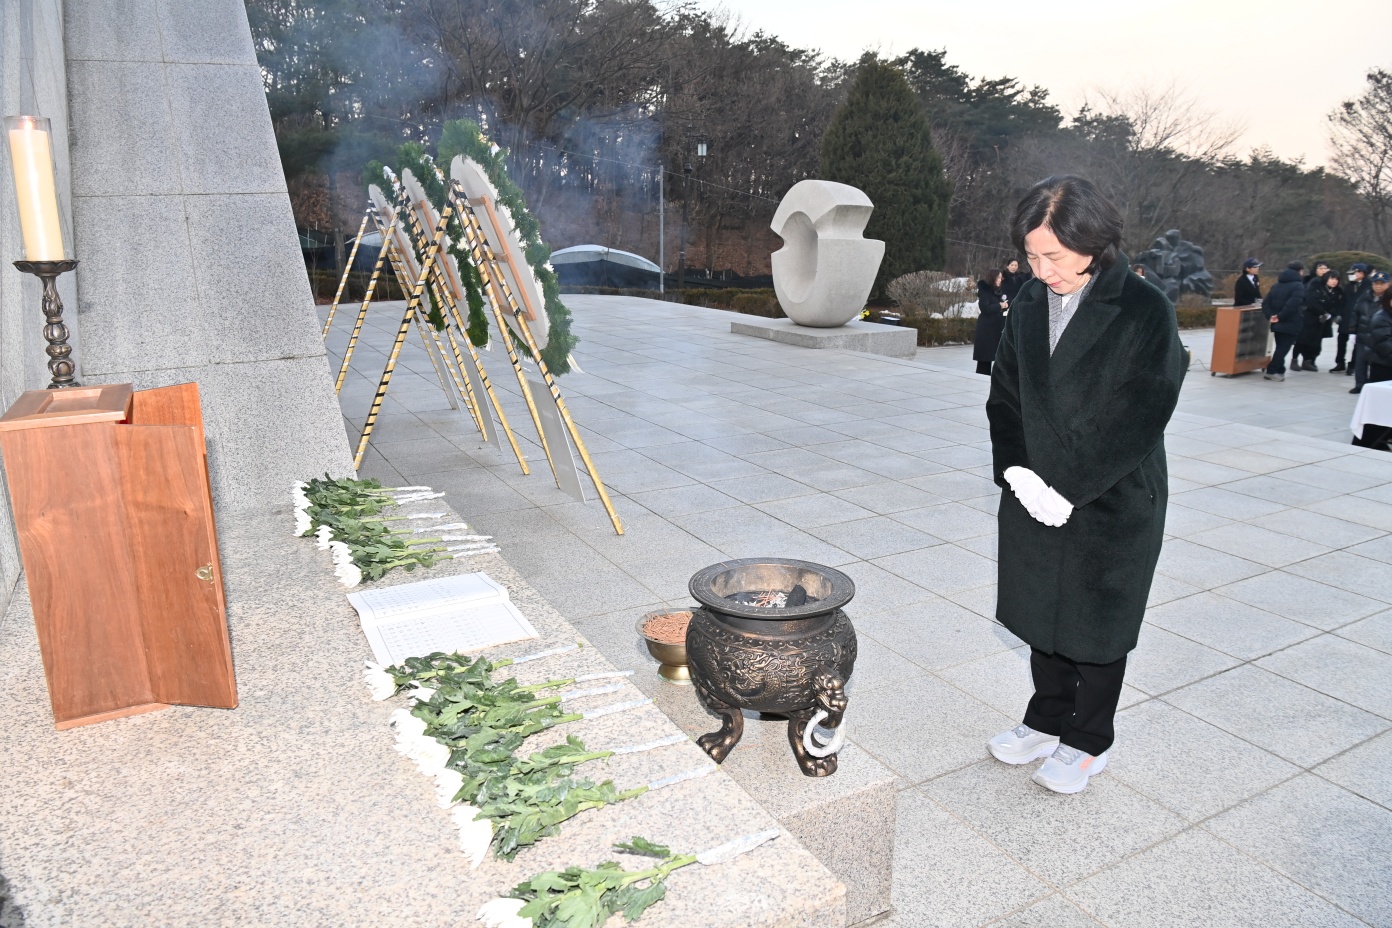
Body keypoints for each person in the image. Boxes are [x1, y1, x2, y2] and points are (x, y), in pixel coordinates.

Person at [984, 175, 1186, 794]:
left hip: (1111, 491)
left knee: (1097, 623)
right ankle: (1045, 719)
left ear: (1094, 243)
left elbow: (1142, 414)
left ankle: (1088, 738)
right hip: (1033, 484)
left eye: (1055, 256)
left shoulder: (1143, 309)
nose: (1041, 269)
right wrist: (1016, 469)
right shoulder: (1029, 301)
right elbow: (1006, 392)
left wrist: (1066, 487)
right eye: (1032, 255)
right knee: (1041, 610)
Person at [1263, 263, 1307, 381]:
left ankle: (1280, 369)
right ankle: (1271, 370)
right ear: (1300, 271)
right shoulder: (1298, 286)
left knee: (1280, 347)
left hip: (1277, 323)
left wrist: (1271, 316)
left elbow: (1265, 303)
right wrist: (1280, 316)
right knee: (1283, 348)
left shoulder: (1277, 285)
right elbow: (1292, 305)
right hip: (1290, 322)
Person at [1351, 271, 1391, 393]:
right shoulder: (1365, 296)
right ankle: (1360, 384)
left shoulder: (1387, 299)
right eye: (1376, 283)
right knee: (1360, 361)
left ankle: (1370, 384)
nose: (1378, 286)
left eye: (1382, 283)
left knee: (1375, 362)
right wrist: (1352, 330)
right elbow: (1355, 313)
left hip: (1379, 336)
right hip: (1364, 333)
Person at [1295, 270, 1343, 371]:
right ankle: (1294, 360)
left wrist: (1331, 314)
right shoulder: (1317, 287)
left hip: (1324, 320)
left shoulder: (1337, 291)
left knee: (1316, 342)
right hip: (1310, 317)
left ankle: (1309, 361)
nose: (1334, 281)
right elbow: (1311, 301)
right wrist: (1322, 312)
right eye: (1332, 279)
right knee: (1302, 340)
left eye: (1336, 279)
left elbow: (1337, 305)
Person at [973, 268, 1008, 376]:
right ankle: (981, 378)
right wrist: (999, 305)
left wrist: (1004, 306)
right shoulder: (985, 291)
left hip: (996, 328)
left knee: (998, 357)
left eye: (1001, 277)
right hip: (986, 328)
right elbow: (985, 308)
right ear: (992, 278)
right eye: (998, 277)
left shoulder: (997, 291)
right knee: (985, 359)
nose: (1000, 279)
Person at [1340, 263, 1373, 374]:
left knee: (1356, 343)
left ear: (1362, 273)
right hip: (1346, 316)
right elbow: (1343, 300)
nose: (1353, 275)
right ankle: (1340, 362)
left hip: (1359, 318)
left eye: (1355, 273)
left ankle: (1352, 365)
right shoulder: (1349, 285)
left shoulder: (1369, 285)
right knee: (1341, 340)